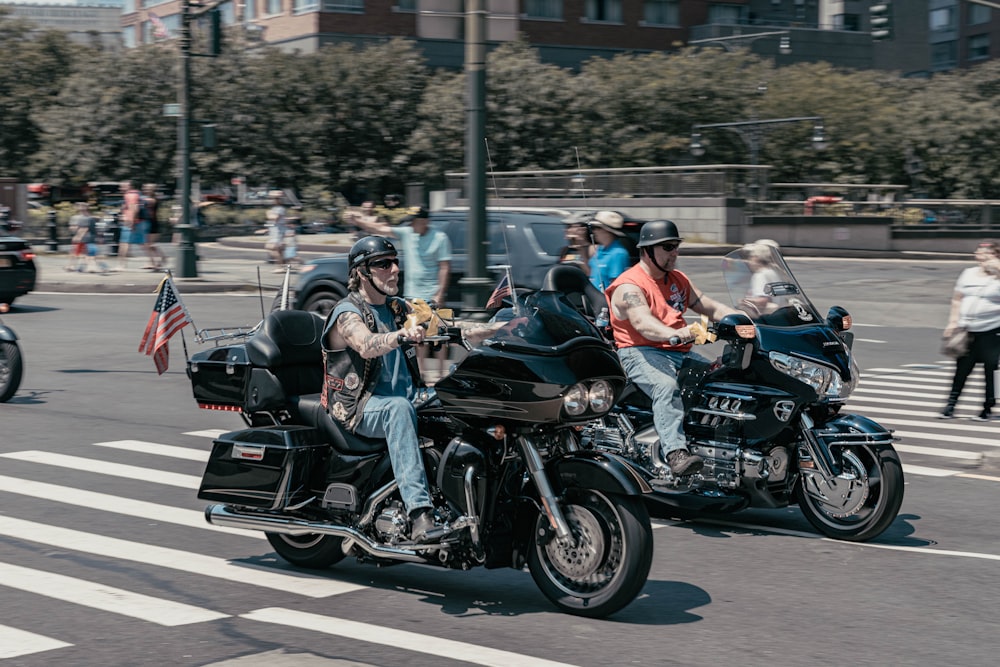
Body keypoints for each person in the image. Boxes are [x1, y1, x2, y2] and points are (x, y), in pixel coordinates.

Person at [321, 236, 517, 542]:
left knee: (458, 394)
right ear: (361, 272)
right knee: (398, 409)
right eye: (383, 264)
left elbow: (453, 328)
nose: (395, 269)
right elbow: (365, 344)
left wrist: (498, 328)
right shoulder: (347, 312)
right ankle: (418, 515)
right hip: (359, 408)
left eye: (396, 262)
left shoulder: (399, 308)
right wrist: (402, 335)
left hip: (407, 396)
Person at [606, 219, 740, 477]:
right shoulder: (629, 286)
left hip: (679, 352)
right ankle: (675, 453)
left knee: (722, 376)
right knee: (665, 386)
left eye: (676, 246)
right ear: (647, 251)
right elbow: (642, 323)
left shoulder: (677, 279)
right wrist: (676, 334)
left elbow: (709, 306)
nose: (674, 253)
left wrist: (744, 320)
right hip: (640, 352)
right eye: (667, 247)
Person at [940, 240, 1000, 421]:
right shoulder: (969, 274)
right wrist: (952, 322)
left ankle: (988, 407)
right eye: (980, 253)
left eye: (987, 254)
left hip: (993, 330)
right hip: (967, 330)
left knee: (992, 371)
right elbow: (957, 298)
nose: (982, 257)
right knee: (962, 369)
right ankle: (950, 406)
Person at [587, 210, 631, 291]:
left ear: (607, 231)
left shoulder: (618, 253)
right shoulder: (599, 250)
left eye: (597, 228)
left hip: (604, 301)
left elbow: (616, 285)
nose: (594, 231)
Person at [138, 184, 166, 270]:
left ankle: (162, 258)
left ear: (153, 190)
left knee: (149, 245)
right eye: (145, 189)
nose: (146, 190)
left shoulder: (153, 199)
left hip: (153, 224)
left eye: (148, 189)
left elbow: (149, 202)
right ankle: (152, 262)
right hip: (146, 223)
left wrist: (138, 198)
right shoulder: (145, 198)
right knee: (146, 245)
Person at [116, 181, 140, 270]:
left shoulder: (130, 195)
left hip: (128, 222)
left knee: (124, 244)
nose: (121, 188)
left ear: (129, 187)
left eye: (123, 186)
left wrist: (131, 221)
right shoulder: (132, 195)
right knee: (124, 243)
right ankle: (122, 264)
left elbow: (133, 208)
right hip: (129, 221)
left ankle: (122, 265)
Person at [265, 190, 287, 269]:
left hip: (278, 231)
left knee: (271, 247)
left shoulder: (279, 208)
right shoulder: (275, 208)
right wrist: (267, 229)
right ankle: (281, 265)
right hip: (275, 231)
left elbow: (275, 218)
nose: (272, 200)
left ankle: (280, 266)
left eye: (274, 199)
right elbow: (272, 222)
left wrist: (268, 214)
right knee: (278, 250)